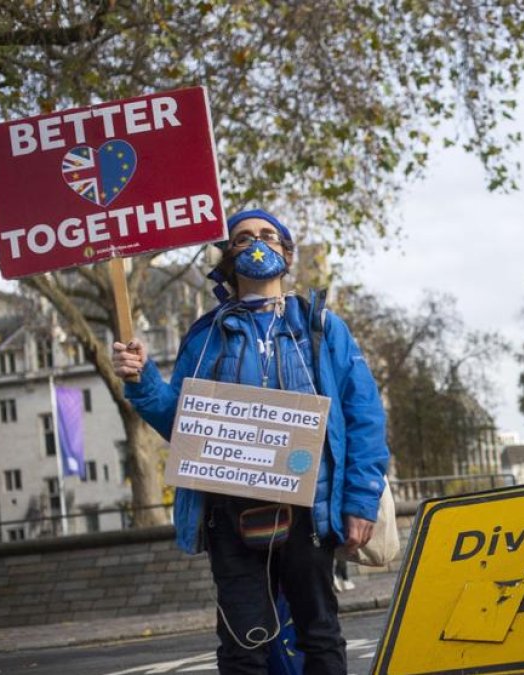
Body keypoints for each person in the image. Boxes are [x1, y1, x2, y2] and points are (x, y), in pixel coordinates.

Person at [112, 208, 389, 675]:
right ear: (227, 257)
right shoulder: (205, 335)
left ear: (285, 252)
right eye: (242, 238)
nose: (257, 244)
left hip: (310, 514)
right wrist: (142, 381)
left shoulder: (320, 326)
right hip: (229, 516)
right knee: (242, 647)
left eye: (267, 235)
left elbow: (364, 416)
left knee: (319, 636)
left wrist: (361, 501)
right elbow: (182, 422)